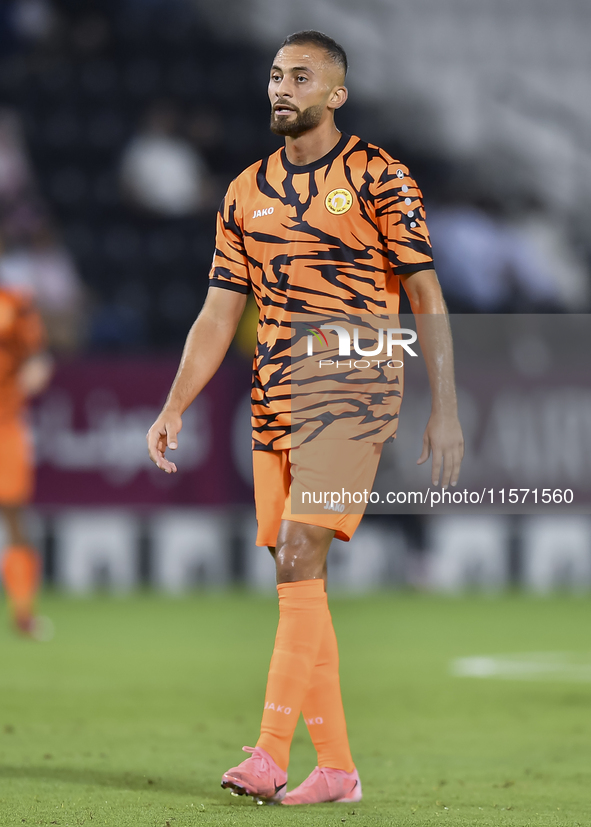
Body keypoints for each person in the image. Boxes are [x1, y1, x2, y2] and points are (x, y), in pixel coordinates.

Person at [147, 30, 464, 806]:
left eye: (298, 76)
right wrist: (174, 402)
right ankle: (338, 769)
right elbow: (218, 315)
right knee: (298, 575)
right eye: (273, 75)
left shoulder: (378, 176)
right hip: (276, 394)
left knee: (297, 553)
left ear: (335, 94)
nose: (279, 88)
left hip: (354, 383)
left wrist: (446, 409)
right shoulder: (242, 191)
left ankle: (267, 752)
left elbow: (423, 294)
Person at [0, 284, 53, 636]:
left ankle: (23, 615)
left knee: (16, 515)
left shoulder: (15, 301)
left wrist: (33, 373)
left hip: (6, 424)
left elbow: (38, 357)